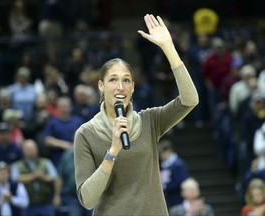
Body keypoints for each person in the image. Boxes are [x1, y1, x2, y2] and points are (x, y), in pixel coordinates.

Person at [74, 14, 199, 216]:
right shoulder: (85, 134)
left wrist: (169, 48)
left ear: (133, 87)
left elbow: (190, 99)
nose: (120, 87)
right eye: (113, 80)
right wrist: (112, 151)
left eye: (126, 80)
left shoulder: (150, 121)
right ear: (100, 85)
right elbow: (87, 199)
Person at [11, 139, 58, 216]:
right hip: (26, 205)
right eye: (28, 149)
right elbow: (15, 179)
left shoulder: (46, 162)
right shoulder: (17, 165)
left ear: (37, 149)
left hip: (46, 204)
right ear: (23, 151)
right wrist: (33, 176)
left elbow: (54, 177)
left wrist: (42, 177)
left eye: (32, 149)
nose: (31, 151)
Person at [159, 139, 189, 208]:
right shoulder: (164, 164)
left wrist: (165, 186)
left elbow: (181, 182)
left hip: (179, 197)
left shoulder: (177, 164)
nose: (161, 155)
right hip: (170, 196)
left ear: (169, 151)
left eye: (163, 153)